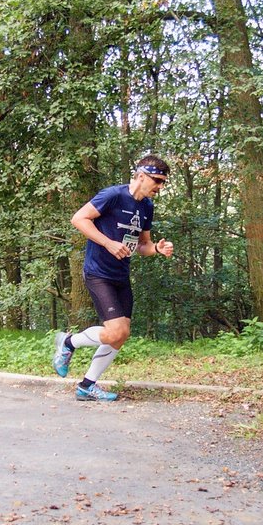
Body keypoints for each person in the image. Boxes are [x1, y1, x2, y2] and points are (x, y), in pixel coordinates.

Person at [52, 155, 174, 401]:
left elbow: (143, 245)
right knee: (115, 330)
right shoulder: (113, 196)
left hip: (121, 275)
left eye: (163, 183)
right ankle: (69, 342)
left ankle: (87, 385)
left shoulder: (147, 206)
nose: (160, 187)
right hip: (98, 272)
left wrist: (157, 249)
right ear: (141, 176)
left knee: (122, 334)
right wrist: (108, 243)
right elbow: (78, 219)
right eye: (157, 181)